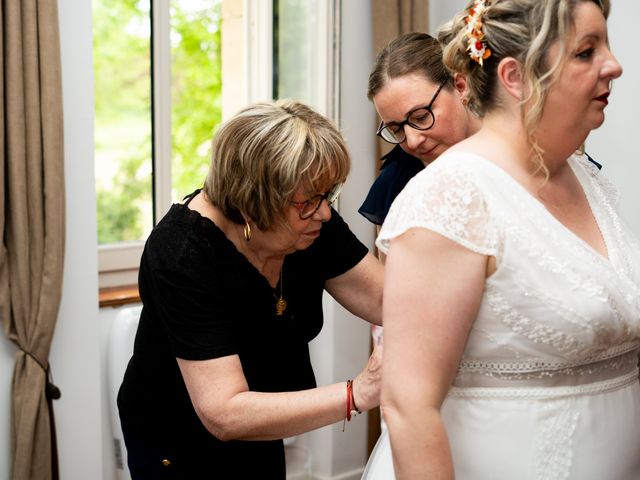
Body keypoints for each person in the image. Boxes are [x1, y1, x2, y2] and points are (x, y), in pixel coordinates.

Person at [364, 0, 640, 478]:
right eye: (585, 52)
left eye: (606, 46)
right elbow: (409, 405)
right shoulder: (447, 195)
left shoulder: (581, 177)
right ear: (513, 77)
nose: (612, 65)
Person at [117, 100, 384, 479]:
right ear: (253, 201)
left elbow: (384, 299)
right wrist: (357, 393)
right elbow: (225, 413)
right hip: (178, 442)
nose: (324, 212)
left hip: (260, 425)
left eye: (328, 194)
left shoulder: (307, 217)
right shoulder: (181, 254)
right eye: (308, 201)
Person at [359, 32, 481, 226]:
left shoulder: (518, 149)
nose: (413, 141)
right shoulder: (395, 183)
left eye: (421, 117)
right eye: (396, 130)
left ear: (460, 86)